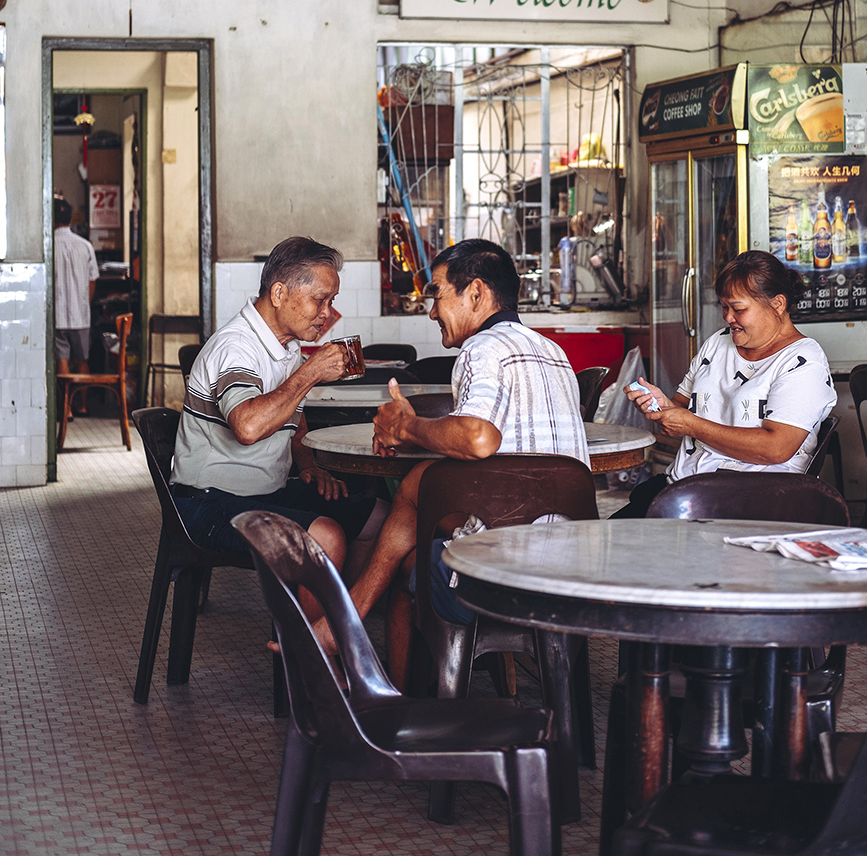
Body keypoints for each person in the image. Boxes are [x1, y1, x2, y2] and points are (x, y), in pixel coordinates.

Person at [315, 237, 589, 678]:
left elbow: (480, 439)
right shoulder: (554, 354)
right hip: (573, 562)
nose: (431, 311)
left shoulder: (482, 349)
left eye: (437, 294)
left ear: (476, 293)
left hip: (505, 568)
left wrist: (404, 428)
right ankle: (349, 625)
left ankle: (366, 649)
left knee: (412, 519)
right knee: (420, 484)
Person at [171, 237, 387, 605]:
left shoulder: (286, 346)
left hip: (264, 491)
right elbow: (248, 427)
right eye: (320, 299)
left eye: (331, 301)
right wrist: (311, 372)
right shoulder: (236, 346)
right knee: (327, 536)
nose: (327, 312)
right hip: (206, 501)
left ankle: (332, 629)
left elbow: (293, 420)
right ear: (278, 293)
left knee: (377, 518)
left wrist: (307, 464)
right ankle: (308, 656)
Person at [613, 250, 837, 517]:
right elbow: (680, 413)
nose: (728, 317)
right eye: (724, 307)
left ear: (777, 304)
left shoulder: (802, 362)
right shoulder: (717, 344)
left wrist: (691, 424)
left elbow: (776, 449)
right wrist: (661, 406)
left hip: (749, 502)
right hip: (682, 491)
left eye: (738, 309)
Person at [54, 197, 99, 413]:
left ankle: (66, 409)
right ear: (70, 218)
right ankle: (83, 406)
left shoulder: (48, 246)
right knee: (82, 359)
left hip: (57, 315)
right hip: (81, 316)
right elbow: (92, 281)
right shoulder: (85, 246)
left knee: (62, 358)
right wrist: (85, 306)